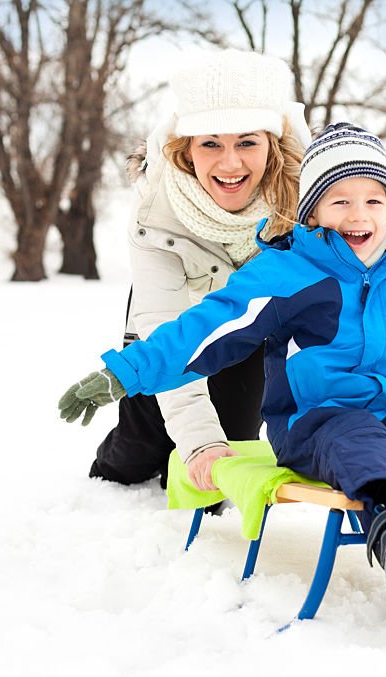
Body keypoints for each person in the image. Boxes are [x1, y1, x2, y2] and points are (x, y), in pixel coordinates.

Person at [58, 123, 386, 625]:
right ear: (313, 212)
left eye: (373, 200)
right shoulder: (285, 274)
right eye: (340, 201)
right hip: (312, 423)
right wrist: (125, 373)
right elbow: (203, 328)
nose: (358, 215)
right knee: (358, 436)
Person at [82, 48, 309, 493]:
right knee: (139, 451)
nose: (230, 164)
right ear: (186, 148)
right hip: (171, 323)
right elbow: (161, 323)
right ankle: (124, 457)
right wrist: (199, 442)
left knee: (216, 476)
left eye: (247, 142)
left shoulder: (308, 202)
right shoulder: (155, 211)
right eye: (211, 143)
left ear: (273, 144)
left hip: (247, 333)